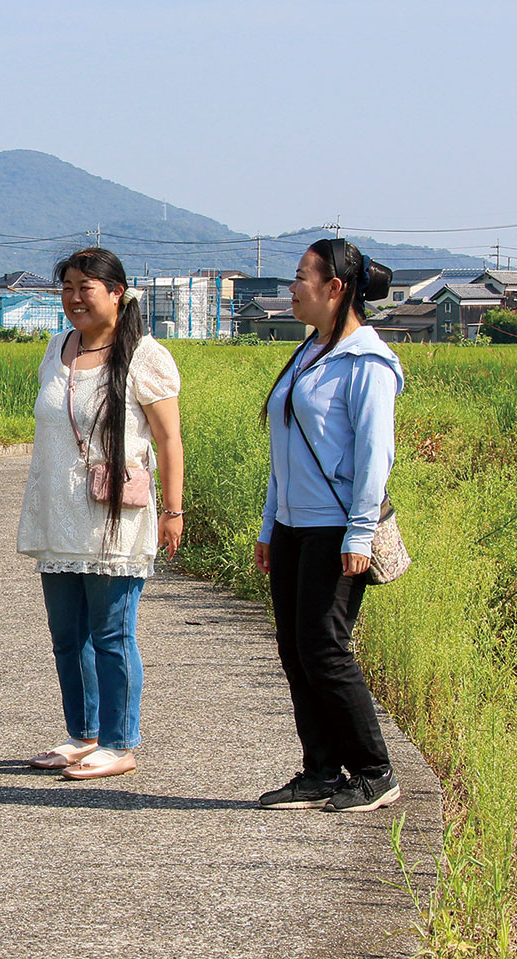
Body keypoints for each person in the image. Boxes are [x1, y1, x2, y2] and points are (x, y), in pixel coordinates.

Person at [16, 247, 184, 780]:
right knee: (67, 636)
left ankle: (119, 741)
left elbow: (169, 438)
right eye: (66, 287)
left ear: (117, 292)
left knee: (113, 634)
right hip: (57, 514)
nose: (73, 298)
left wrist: (173, 510)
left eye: (85, 287)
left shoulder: (143, 355)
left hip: (115, 517)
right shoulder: (55, 347)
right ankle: (82, 734)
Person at [254, 238, 402, 813]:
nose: (290, 289)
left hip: (338, 528)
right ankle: (320, 769)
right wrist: (270, 524)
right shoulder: (309, 352)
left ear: (334, 287)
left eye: (299, 277)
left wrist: (360, 534)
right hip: (293, 526)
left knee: (325, 648)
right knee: (294, 648)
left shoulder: (368, 362)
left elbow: (375, 456)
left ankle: (373, 770)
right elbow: (284, 448)